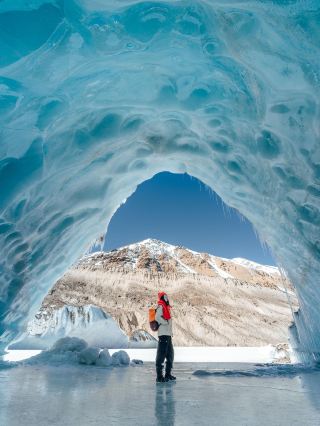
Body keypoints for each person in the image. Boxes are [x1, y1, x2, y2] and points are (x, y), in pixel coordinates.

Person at [155, 291, 176, 383]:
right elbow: (157, 317)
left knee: (170, 355)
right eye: (165, 297)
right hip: (163, 335)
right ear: (162, 298)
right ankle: (159, 377)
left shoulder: (166, 308)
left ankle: (168, 374)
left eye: (167, 297)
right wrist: (165, 322)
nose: (167, 298)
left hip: (168, 335)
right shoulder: (160, 306)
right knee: (161, 355)